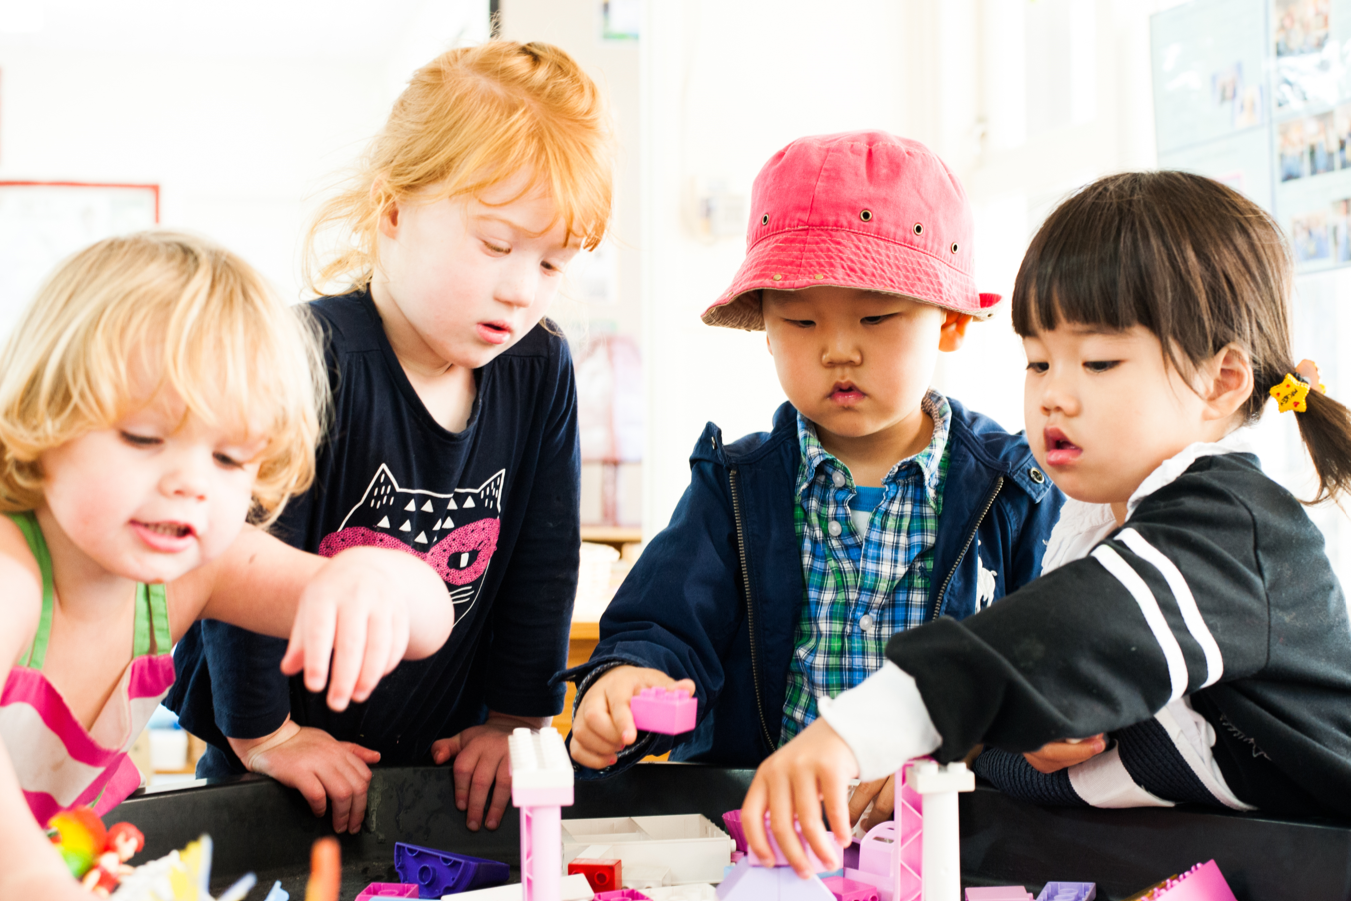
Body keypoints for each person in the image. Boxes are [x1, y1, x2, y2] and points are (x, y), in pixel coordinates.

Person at [741, 170, 1351, 877]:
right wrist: (1024, 736)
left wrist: (855, 729)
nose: (1054, 394)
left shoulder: (1229, 527)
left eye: (1097, 361)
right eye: (1037, 361)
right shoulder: (1092, 523)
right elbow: (1077, 707)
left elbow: (1063, 634)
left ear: (1219, 382)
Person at [167, 40, 614, 836]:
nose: (519, 290)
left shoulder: (540, 366)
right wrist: (266, 734)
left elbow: (543, 560)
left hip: (442, 757)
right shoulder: (310, 354)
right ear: (394, 210)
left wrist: (517, 719)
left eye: (551, 264)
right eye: (495, 245)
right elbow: (238, 564)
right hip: (278, 756)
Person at [564, 131, 1064, 830]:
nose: (837, 348)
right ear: (765, 328)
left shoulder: (1015, 487)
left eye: (875, 316)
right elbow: (665, 626)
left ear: (949, 323)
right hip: (764, 836)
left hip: (953, 837)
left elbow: (1054, 660)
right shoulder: (734, 486)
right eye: (799, 320)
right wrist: (626, 685)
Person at [0, 233, 454, 900]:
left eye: (230, 456)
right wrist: (28, 874)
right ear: (41, 418)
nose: (192, 483)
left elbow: (429, 620)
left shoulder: (193, 570)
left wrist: (370, 577)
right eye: (144, 437)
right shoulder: (13, 569)